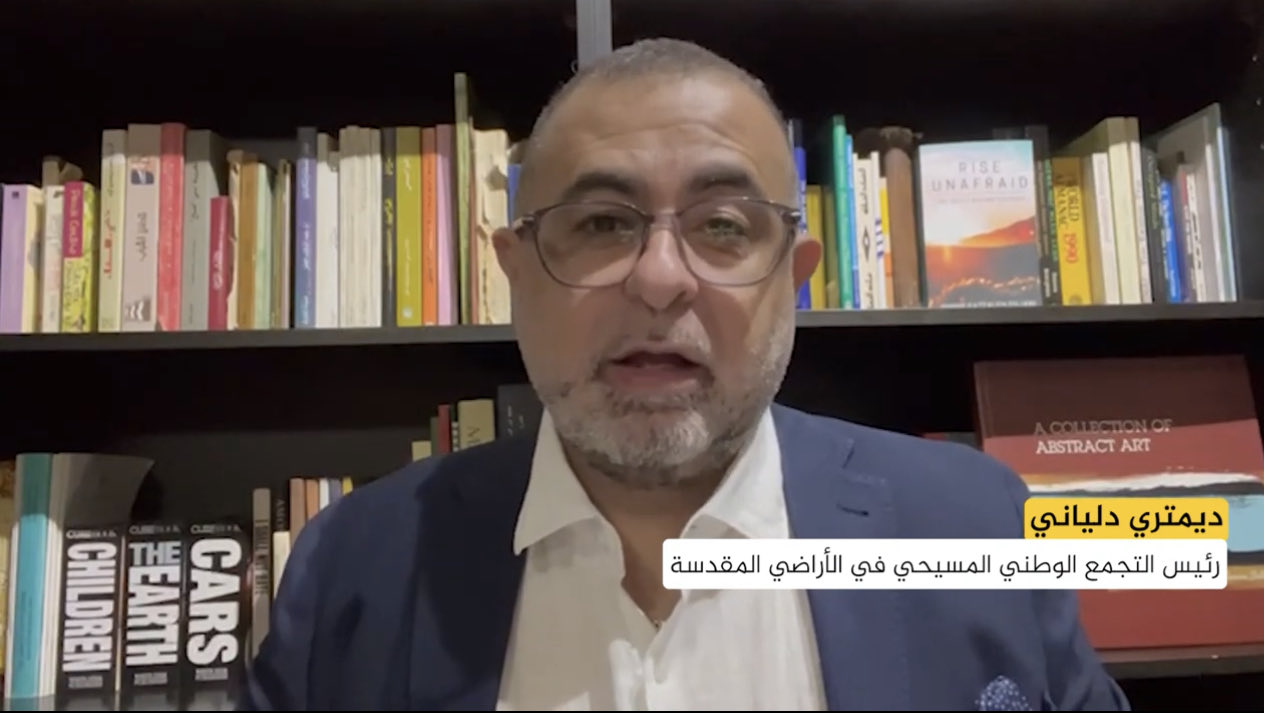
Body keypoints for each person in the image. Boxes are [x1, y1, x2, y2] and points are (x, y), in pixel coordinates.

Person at [239, 38, 1131, 711]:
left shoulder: (973, 528)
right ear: (515, 272)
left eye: (724, 226)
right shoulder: (355, 562)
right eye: (601, 223)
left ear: (793, 276)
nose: (660, 278)